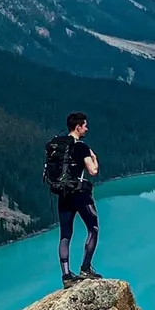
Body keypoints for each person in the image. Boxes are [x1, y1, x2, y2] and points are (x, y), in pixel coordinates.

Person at [57, 112, 101, 287]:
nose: (87, 129)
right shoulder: (81, 147)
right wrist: (95, 159)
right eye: (85, 126)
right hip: (80, 195)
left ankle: (66, 276)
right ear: (78, 127)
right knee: (93, 228)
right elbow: (93, 171)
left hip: (63, 195)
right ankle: (85, 268)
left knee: (65, 235)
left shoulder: (58, 146)